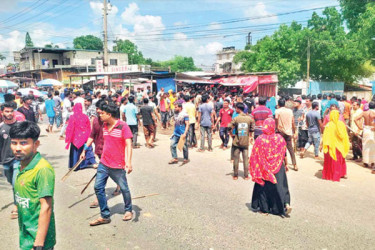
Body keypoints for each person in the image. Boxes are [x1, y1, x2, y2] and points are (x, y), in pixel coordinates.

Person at [84, 102, 133, 226]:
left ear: (109, 114)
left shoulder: (123, 126)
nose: (100, 115)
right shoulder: (104, 126)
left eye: (102, 114)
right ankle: (105, 215)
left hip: (117, 165)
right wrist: (85, 150)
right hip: (104, 163)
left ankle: (128, 210)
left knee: (124, 188)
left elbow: (128, 145)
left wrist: (128, 162)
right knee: (98, 187)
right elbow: (94, 137)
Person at [10, 121, 56, 250]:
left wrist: (38, 244)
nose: (17, 148)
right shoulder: (22, 165)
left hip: (38, 240)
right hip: (26, 235)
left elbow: (46, 206)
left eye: (23, 143)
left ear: (36, 144)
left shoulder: (42, 169)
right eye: (14, 143)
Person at [249, 118, 292, 216]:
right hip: (278, 166)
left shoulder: (260, 139)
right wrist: (286, 164)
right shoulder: (279, 138)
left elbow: (255, 154)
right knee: (281, 185)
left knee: (263, 187)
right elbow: (283, 152)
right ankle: (284, 204)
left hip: (264, 168)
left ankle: (264, 209)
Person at [0, 102, 19, 219]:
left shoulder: (20, 126)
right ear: (2, 112)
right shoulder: (1, 127)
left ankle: (16, 207)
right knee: (11, 181)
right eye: (7, 111)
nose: (9, 113)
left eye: (11, 111)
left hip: (17, 159)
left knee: (15, 183)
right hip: (5, 161)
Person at [320, 110, 349, 181]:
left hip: (331, 146)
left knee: (331, 161)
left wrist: (322, 145)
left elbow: (325, 136)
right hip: (340, 146)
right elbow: (345, 136)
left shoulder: (329, 125)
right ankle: (341, 174)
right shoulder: (341, 124)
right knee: (339, 160)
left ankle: (330, 175)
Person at [65, 103, 96, 170]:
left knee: (75, 151)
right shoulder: (85, 116)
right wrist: (88, 135)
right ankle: (84, 164)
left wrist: (68, 137)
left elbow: (70, 128)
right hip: (84, 136)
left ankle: (74, 165)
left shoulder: (72, 117)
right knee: (84, 150)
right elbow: (88, 127)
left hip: (75, 137)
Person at [228, 103, 254, 180]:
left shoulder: (236, 118)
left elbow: (229, 126)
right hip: (245, 142)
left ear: (239, 109)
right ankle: (246, 175)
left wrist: (231, 134)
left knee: (236, 159)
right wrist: (250, 136)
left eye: (236, 108)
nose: (235, 110)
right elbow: (252, 129)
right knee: (245, 159)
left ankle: (235, 175)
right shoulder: (249, 119)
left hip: (237, 141)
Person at [275, 99, 297, 170]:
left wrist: (277, 127)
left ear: (278, 104)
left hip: (280, 132)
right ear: (284, 104)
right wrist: (294, 131)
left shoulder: (277, 111)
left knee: (281, 149)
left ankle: (285, 164)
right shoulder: (290, 111)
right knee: (290, 149)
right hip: (288, 131)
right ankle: (295, 164)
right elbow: (293, 122)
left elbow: (276, 119)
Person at [355, 101, 375, 170]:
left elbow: (355, 119)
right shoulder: (374, 112)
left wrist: (359, 127)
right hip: (372, 130)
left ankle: (365, 162)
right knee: (373, 146)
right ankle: (372, 162)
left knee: (365, 145)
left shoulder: (364, 113)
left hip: (366, 129)